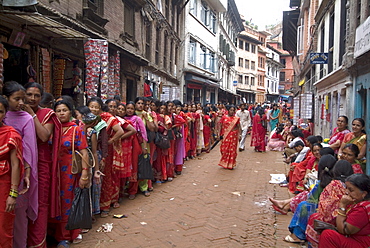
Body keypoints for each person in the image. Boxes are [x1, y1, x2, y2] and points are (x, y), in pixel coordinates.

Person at [23, 82, 62, 248]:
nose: (32, 98)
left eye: (36, 95)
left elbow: (45, 136)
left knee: (40, 203)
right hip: (21, 164)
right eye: (29, 94)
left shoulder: (46, 113)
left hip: (41, 165)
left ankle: (38, 243)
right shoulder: (12, 113)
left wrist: (31, 114)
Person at [51, 100, 89, 247]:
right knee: (54, 201)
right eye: (58, 110)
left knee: (67, 202)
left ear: (70, 112)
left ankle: (65, 235)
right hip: (53, 171)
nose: (61, 113)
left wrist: (85, 174)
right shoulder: (52, 128)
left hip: (69, 172)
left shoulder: (76, 129)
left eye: (64, 110)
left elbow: (84, 152)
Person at [3, 81, 36, 248]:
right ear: (5, 98)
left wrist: (28, 172)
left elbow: (28, 149)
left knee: (18, 218)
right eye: (17, 99)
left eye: (22, 99)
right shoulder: (3, 116)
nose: (21, 103)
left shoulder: (27, 118)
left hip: (18, 171)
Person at [284, 154, 337, 243]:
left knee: (304, 206)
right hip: (331, 210)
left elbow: (311, 199)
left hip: (326, 212)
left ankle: (298, 235)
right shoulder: (335, 181)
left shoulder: (322, 183)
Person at [87, 97, 124, 217]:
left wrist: (110, 141)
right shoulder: (85, 118)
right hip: (86, 153)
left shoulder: (106, 119)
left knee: (103, 178)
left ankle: (104, 206)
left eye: (96, 107)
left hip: (102, 153)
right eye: (91, 106)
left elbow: (120, 132)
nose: (93, 109)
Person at [306, 160, 354, 248]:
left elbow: (325, 207)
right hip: (348, 219)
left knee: (313, 217)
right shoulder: (353, 186)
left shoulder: (334, 184)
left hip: (336, 219)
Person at [319, 174, 370, 248]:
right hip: (356, 238)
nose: (346, 192)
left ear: (364, 194)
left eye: (351, 190)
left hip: (362, 243)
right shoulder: (358, 203)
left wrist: (342, 205)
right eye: (346, 188)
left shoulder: (362, 209)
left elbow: (344, 229)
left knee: (328, 235)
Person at [0, 96, 23, 247]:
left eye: (0, 111)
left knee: (3, 227)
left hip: (3, 186)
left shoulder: (10, 134)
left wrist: (12, 195)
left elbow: (16, 165)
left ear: (5, 114)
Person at [218, 105, 240, 170]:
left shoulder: (236, 119)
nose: (232, 112)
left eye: (233, 110)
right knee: (223, 149)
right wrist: (219, 134)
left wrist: (239, 135)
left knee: (232, 150)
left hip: (233, 137)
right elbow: (220, 126)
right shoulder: (224, 118)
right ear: (228, 110)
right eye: (231, 110)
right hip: (225, 136)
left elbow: (238, 127)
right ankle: (224, 162)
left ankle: (230, 164)